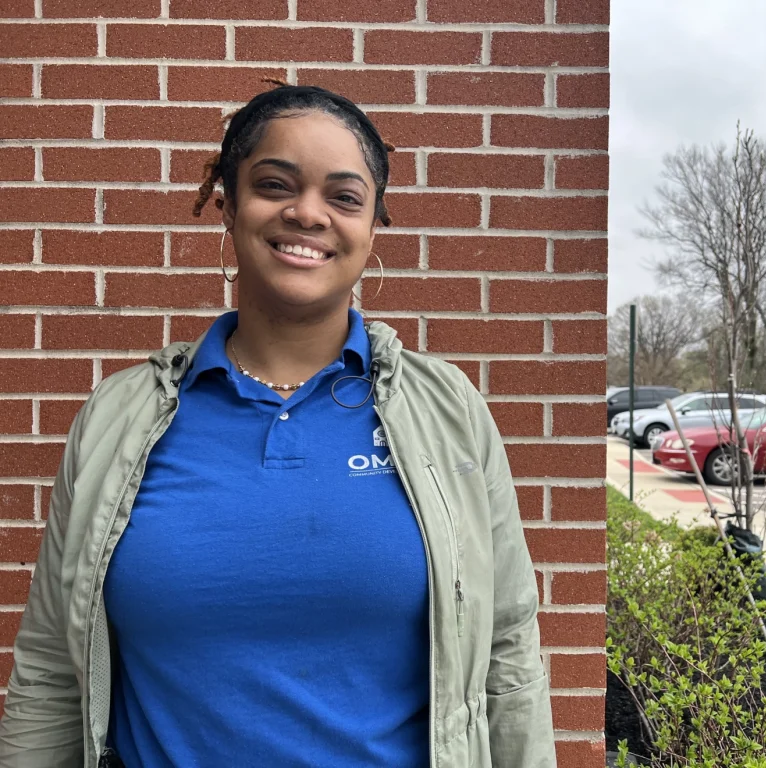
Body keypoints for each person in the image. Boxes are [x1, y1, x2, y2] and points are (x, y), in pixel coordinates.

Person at [0, 84, 555, 768]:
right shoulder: (118, 418)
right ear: (227, 205)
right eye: (274, 184)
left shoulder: (449, 412)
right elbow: (52, 670)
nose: (308, 214)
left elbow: (507, 654)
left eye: (345, 197)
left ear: (373, 228)